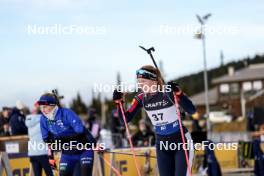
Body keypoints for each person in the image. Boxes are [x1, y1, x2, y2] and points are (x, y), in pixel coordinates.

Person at [113, 65, 196, 176]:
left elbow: (191, 110)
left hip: (181, 141)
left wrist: (179, 93)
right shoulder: (141, 98)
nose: (140, 84)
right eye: (138, 81)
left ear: (154, 80)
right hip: (162, 144)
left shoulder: (168, 92)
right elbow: (124, 119)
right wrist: (119, 103)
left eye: (143, 81)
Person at [37, 93, 96, 176]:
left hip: (83, 150)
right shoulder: (43, 119)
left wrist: (94, 143)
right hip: (67, 154)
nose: (42, 110)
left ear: (53, 105)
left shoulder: (66, 113)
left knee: (84, 173)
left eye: (45, 107)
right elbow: (47, 139)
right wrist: (51, 156)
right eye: (41, 107)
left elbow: (80, 130)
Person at [25, 106, 53, 176]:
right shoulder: (45, 120)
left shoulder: (29, 121)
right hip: (43, 151)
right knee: (49, 173)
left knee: (37, 174)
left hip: (33, 152)